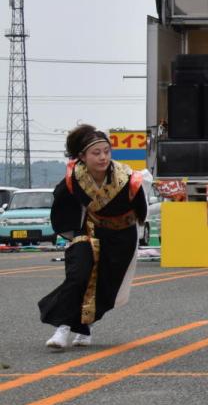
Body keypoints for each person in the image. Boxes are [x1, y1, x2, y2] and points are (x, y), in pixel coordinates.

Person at [39, 125, 148, 349]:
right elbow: (63, 205)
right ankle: (62, 328)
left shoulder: (127, 178)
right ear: (82, 156)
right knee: (78, 276)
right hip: (90, 230)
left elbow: (141, 210)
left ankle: (85, 327)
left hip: (121, 237)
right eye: (96, 153)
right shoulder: (74, 177)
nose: (102, 157)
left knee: (103, 287)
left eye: (106, 151)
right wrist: (71, 231)